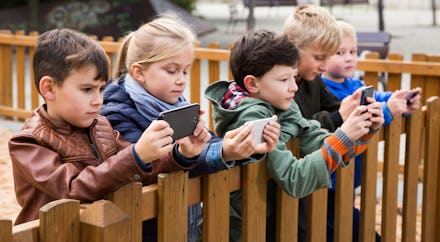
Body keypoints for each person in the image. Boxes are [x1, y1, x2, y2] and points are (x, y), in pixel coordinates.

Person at [99, 14, 281, 242]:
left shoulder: (177, 105)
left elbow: (208, 144)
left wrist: (245, 145)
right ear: (139, 72)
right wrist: (221, 151)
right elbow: (149, 167)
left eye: (185, 71)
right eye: (171, 70)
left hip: (179, 222)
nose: (181, 80)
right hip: (140, 229)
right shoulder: (116, 114)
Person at [8, 28, 207, 225]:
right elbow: (71, 188)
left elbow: (140, 170)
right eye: (87, 89)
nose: (98, 101)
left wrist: (181, 154)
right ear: (49, 89)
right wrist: (136, 155)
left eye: (101, 89)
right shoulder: (28, 142)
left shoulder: (101, 126)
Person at [204, 29, 384, 242]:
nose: (293, 87)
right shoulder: (252, 120)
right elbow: (293, 178)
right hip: (243, 229)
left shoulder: (282, 105)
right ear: (252, 84)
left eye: (294, 77)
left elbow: (316, 139)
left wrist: (363, 131)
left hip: (269, 222)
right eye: (284, 79)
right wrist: (344, 134)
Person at [321, 20, 422, 242]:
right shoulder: (325, 89)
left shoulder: (352, 84)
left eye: (353, 51)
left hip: (348, 179)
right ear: (321, 56)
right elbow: (358, 118)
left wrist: (399, 100)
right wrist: (388, 111)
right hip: (329, 183)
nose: (349, 57)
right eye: (340, 52)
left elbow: (379, 97)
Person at [282, 5, 364, 241]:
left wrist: (352, 108)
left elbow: (331, 106)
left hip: (315, 182)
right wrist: (339, 117)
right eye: (319, 58)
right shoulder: (282, 85)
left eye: (328, 58)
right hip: (294, 187)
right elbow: (298, 128)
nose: (325, 66)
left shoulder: (313, 78)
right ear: (293, 49)